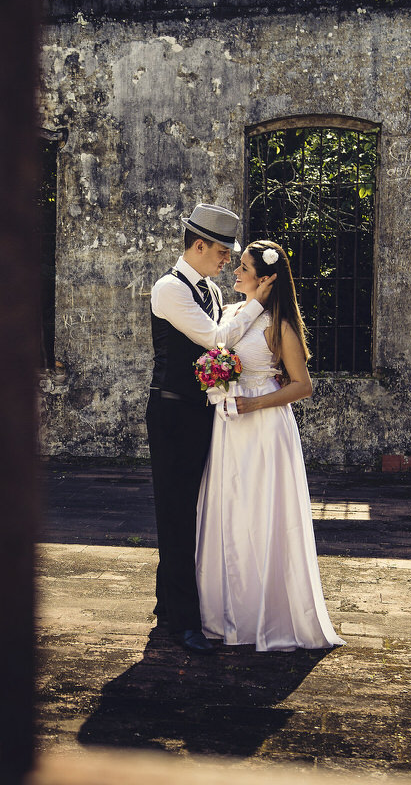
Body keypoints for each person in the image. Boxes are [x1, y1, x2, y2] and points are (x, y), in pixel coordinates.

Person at [195, 240, 344, 652]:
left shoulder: (280, 326)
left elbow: (303, 386)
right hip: (228, 427)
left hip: (263, 428)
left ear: (265, 279)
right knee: (228, 512)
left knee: (261, 514)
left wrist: (253, 403)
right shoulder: (230, 313)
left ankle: (266, 616)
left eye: (243, 267)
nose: (235, 272)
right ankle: (223, 612)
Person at [147, 204, 275, 654]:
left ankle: (169, 605)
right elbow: (218, 341)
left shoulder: (212, 293)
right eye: (223, 253)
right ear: (199, 245)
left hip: (204, 412)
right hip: (172, 412)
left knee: (198, 510)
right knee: (177, 513)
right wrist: (257, 301)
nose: (226, 262)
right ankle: (182, 621)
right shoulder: (169, 289)